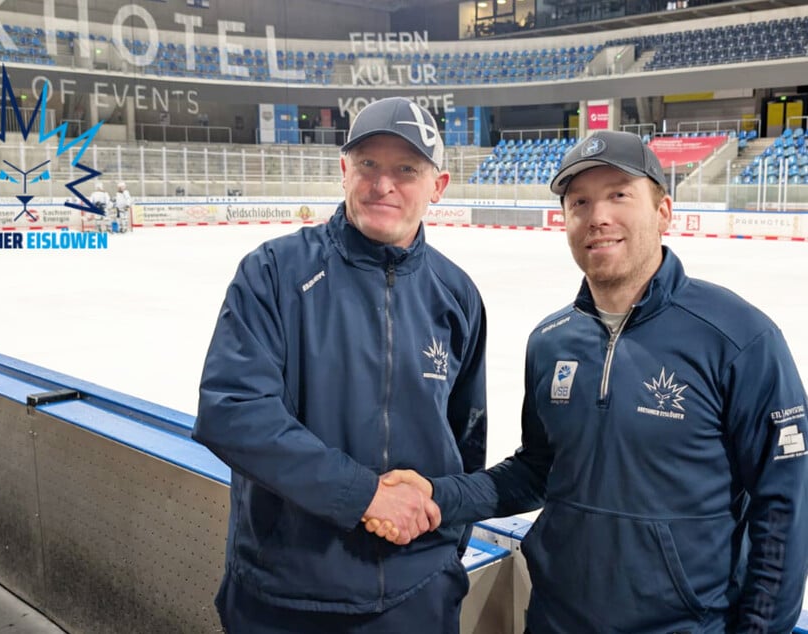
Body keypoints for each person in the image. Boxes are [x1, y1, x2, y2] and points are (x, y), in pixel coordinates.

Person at [372, 130, 808, 633]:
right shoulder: (551, 341)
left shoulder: (738, 338)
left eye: (619, 195)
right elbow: (538, 470)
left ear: (664, 211)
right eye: (579, 202)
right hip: (557, 619)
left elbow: (783, 508)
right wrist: (436, 494)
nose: (597, 216)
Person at [192, 97, 488, 633]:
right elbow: (232, 412)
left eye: (406, 170)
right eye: (369, 165)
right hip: (285, 598)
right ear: (343, 170)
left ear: (437, 187)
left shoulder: (456, 293)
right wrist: (366, 495)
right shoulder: (274, 272)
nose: (383, 185)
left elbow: (467, 437)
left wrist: (441, 547)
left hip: (417, 594)